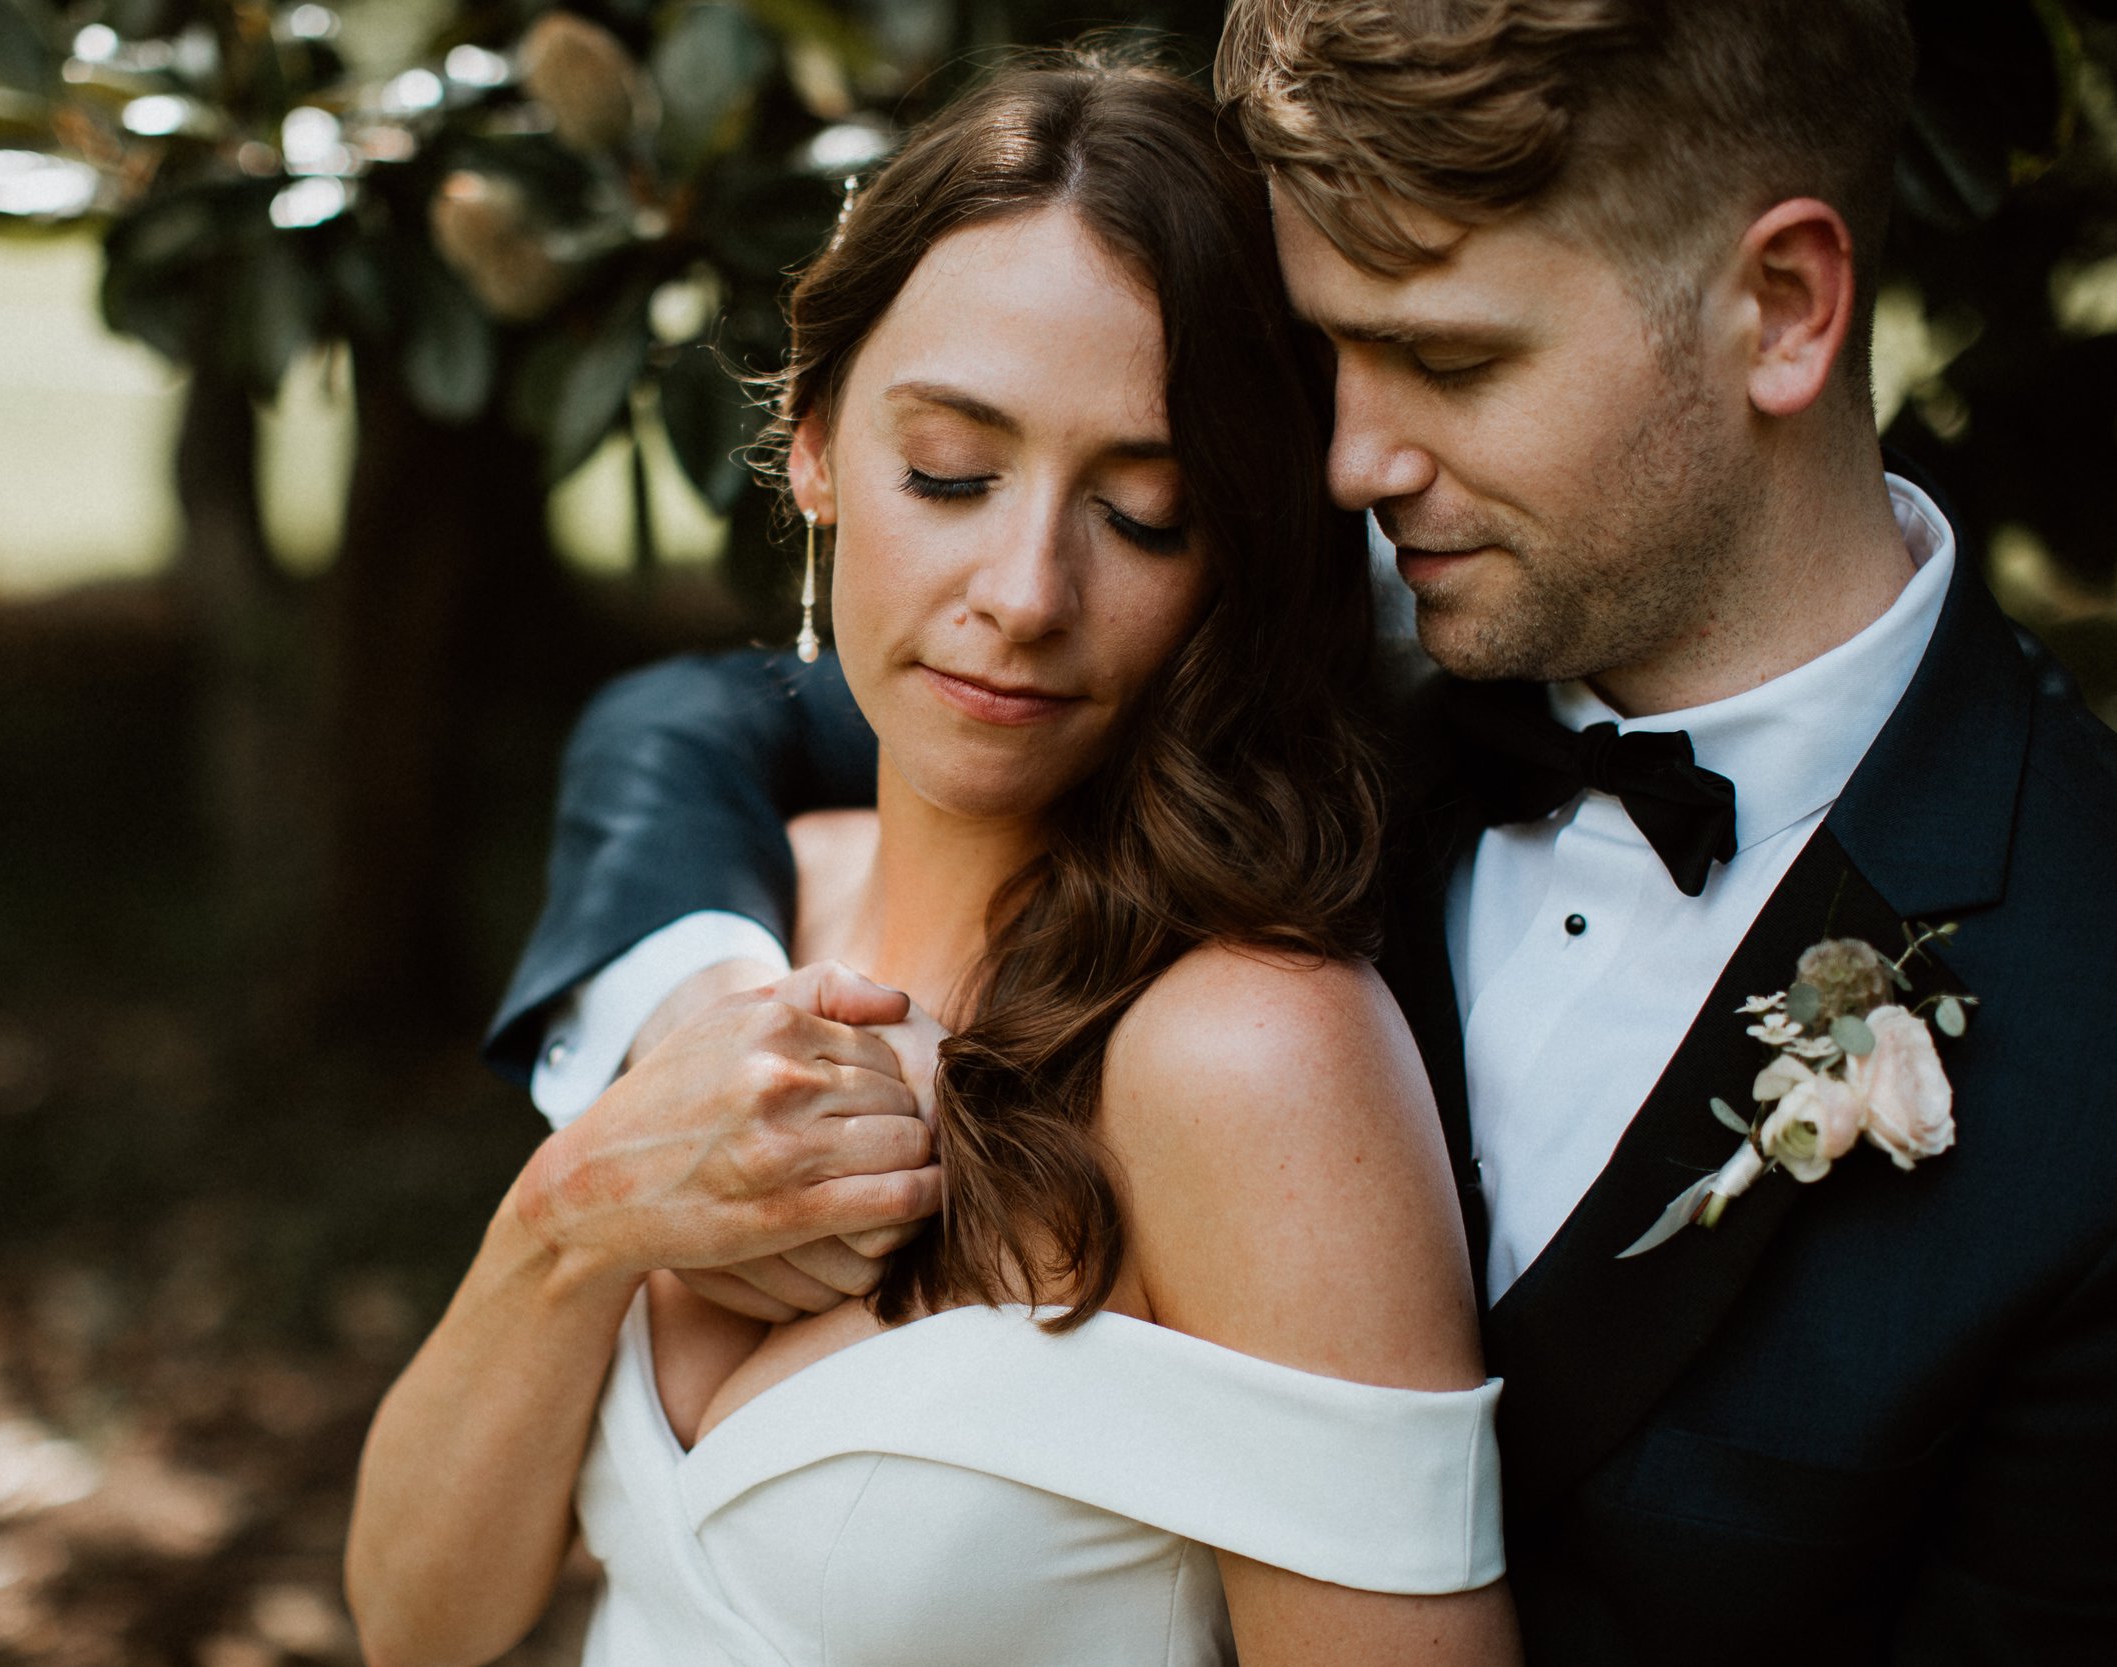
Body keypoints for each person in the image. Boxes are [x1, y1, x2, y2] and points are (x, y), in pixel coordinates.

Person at [484, 1, 2117, 1662]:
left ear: (1781, 309)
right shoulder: (1296, 702)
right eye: (1331, 355)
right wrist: (674, 1006)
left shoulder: (2092, 1047)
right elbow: (716, 716)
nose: (1344, 462)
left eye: (1455, 360)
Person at [347, 50, 1520, 1667]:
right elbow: (421, 1621)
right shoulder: (753, 925)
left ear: (1237, 558)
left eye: (1148, 512)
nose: (1026, 588)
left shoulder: (1253, 1058)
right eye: (952, 473)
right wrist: (578, 1213)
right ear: (817, 446)